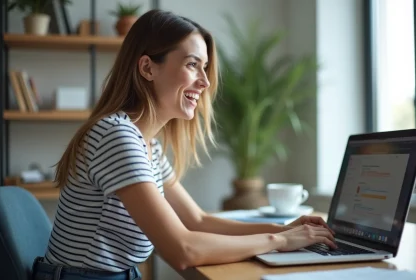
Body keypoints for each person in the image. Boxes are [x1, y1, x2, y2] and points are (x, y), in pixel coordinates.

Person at [31, 9, 336, 280]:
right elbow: (183, 249)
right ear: (148, 68)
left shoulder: (147, 144)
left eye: (205, 67)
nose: (205, 82)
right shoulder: (116, 136)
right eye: (193, 65)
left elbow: (197, 220)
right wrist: (281, 242)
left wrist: (283, 230)